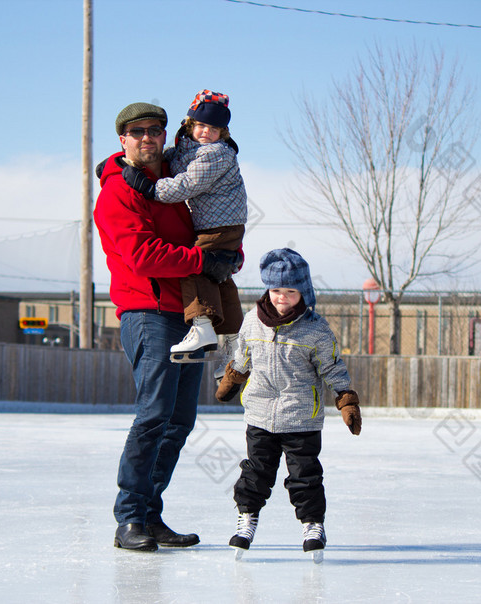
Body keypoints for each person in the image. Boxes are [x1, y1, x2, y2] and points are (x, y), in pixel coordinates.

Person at [93, 102, 241, 552]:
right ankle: (129, 519)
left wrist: (225, 256)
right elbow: (144, 255)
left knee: (179, 420)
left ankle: (151, 514)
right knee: (155, 414)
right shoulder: (119, 191)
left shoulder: (171, 183)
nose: (146, 138)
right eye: (136, 132)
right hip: (148, 313)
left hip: (188, 314)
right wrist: (204, 261)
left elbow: (206, 224)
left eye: (154, 130)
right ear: (123, 140)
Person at [215, 248, 362, 560]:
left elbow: (332, 366)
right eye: (276, 290)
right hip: (259, 414)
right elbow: (243, 355)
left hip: (301, 418)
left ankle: (312, 524)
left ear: (304, 291)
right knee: (256, 472)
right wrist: (233, 378)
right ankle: (247, 519)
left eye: (290, 291)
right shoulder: (253, 321)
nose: (282, 297)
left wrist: (345, 398)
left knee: (305, 475)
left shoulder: (316, 328)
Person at [122, 90, 247, 370]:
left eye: (214, 129)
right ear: (190, 126)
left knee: (195, 267)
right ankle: (235, 341)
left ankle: (202, 326)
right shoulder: (187, 148)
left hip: (220, 225)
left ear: (222, 133)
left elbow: (185, 185)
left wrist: (149, 187)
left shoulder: (215, 155)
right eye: (201, 126)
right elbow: (167, 159)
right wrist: (117, 162)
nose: (206, 133)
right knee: (220, 277)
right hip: (216, 223)